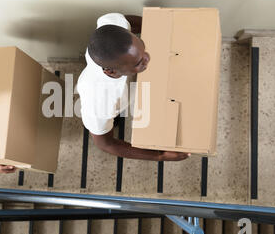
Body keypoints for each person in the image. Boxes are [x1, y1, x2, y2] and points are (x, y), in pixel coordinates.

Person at [76, 13, 190, 162]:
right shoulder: (100, 104)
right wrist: (160, 155)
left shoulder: (110, 29)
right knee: (106, 123)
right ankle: (113, 121)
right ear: (111, 71)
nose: (148, 57)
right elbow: (105, 144)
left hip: (119, 83)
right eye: (138, 62)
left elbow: (122, 19)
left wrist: (158, 27)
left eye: (143, 48)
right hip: (104, 100)